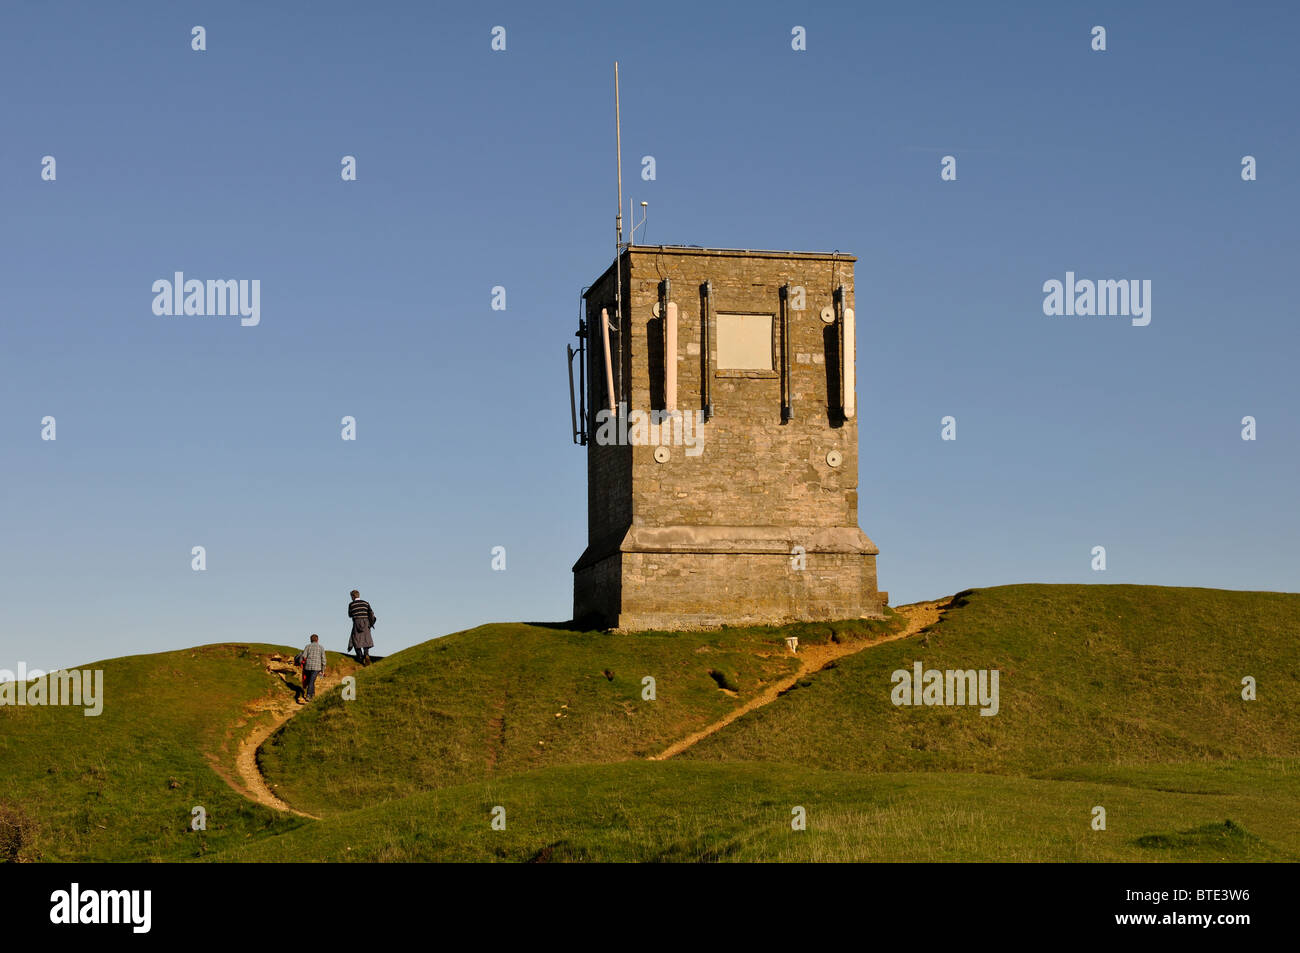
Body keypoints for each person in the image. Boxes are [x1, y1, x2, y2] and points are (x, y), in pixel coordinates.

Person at [347, 589, 376, 666]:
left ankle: (360, 656)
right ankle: (366, 654)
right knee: (366, 640)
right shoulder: (366, 603)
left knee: (355, 639)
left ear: (353, 596)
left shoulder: (351, 604)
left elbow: (350, 615)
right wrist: (371, 623)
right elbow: (371, 612)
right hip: (366, 622)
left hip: (356, 622)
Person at [295, 634, 327, 703]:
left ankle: (312, 695)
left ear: (310, 640)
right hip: (317, 667)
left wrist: (301, 663)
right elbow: (324, 659)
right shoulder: (321, 647)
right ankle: (309, 695)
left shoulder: (307, 646)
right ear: (317, 640)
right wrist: (323, 670)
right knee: (311, 681)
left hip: (307, 667)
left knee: (310, 681)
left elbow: (304, 656)